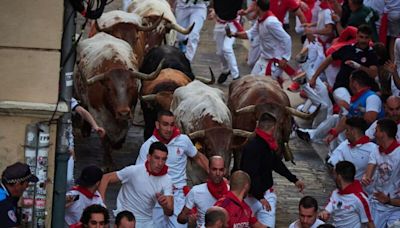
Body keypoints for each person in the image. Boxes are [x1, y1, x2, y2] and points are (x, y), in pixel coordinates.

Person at [136, 110, 209, 228]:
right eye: (165, 124)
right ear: (157, 125)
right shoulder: (148, 146)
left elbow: (198, 157)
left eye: (172, 124)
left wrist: (214, 174)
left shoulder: (184, 140)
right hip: (157, 198)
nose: (169, 129)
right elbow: (139, 173)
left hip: (178, 196)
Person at [240, 112, 305, 227]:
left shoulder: (266, 144)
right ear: (273, 128)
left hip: (265, 195)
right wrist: (260, 197)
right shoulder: (253, 147)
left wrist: (294, 179)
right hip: (252, 197)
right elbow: (251, 174)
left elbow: (276, 164)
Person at [99, 141, 173, 227]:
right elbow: (105, 178)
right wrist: (101, 204)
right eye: (157, 158)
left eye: (163, 159)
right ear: (149, 157)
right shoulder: (134, 171)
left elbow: (170, 212)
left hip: (147, 221)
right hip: (126, 218)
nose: (160, 163)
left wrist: (164, 205)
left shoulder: (167, 179)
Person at [229, 0, 293, 86]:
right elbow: (250, 34)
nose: (252, 7)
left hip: (273, 64)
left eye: (254, 5)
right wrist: (234, 34)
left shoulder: (271, 22)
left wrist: (285, 59)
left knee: (256, 86)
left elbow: (287, 38)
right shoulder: (261, 19)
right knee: (250, 82)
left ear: (258, 7)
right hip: (263, 59)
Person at [309, 24, 378, 94]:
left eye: (366, 38)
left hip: (361, 90)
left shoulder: (372, 54)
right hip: (341, 87)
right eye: (361, 37)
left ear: (370, 38)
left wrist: (358, 66)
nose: (363, 40)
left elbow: (373, 74)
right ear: (357, 36)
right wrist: (314, 77)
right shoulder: (347, 49)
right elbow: (328, 60)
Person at [362, 119, 400, 228]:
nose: (374, 134)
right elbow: (369, 172)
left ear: (383, 134)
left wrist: (389, 200)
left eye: (376, 131)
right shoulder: (376, 150)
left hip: (396, 207)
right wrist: (365, 178)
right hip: (377, 204)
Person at [319, 161, 374, 228]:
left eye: (334, 174)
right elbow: (326, 211)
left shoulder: (360, 199)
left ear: (339, 177)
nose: (333, 177)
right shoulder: (335, 193)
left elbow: (370, 224)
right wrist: (323, 214)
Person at [178, 156, 228, 227]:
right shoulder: (196, 191)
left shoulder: (230, 191)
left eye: (221, 170)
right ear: (209, 169)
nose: (217, 173)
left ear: (225, 171)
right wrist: (190, 220)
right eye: (214, 169)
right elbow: (180, 218)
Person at [67, 97, 106, 189]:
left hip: (67, 141)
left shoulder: (67, 97)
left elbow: (82, 111)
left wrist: (95, 126)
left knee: (68, 179)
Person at [327, 117, 377, 181]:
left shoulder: (373, 149)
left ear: (353, 131)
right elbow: (332, 163)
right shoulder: (345, 144)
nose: (345, 133)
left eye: (347, 130)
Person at [208, 0, 243, 83]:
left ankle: (236, 76)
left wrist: (247, 12)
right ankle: (226, 70)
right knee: (219, 52)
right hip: (220, 22)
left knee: (227, 48)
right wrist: (213, 10)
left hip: (232, 23)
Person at [0, 162, 38, 227]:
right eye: (27, 183)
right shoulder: (4, 203)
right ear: (17, 185)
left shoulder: (7, 194)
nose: (27, 186)